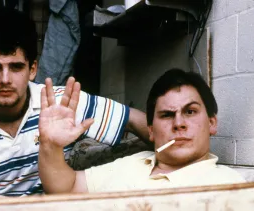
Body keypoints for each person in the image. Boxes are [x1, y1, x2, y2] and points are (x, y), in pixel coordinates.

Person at [0, 9, 148, 210]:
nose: (5, 80)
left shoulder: (60, 105)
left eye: (16, 67)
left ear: (33, 69)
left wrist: (176, 159)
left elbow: (136, 120)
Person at [38, 68, 246, 194]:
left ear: (212, 123)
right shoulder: (133, 163)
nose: (179, 123)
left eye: (190, 112)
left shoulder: (228, 186)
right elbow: (66, 187)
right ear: (151, 131)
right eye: (166, 115)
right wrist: (51, 145)